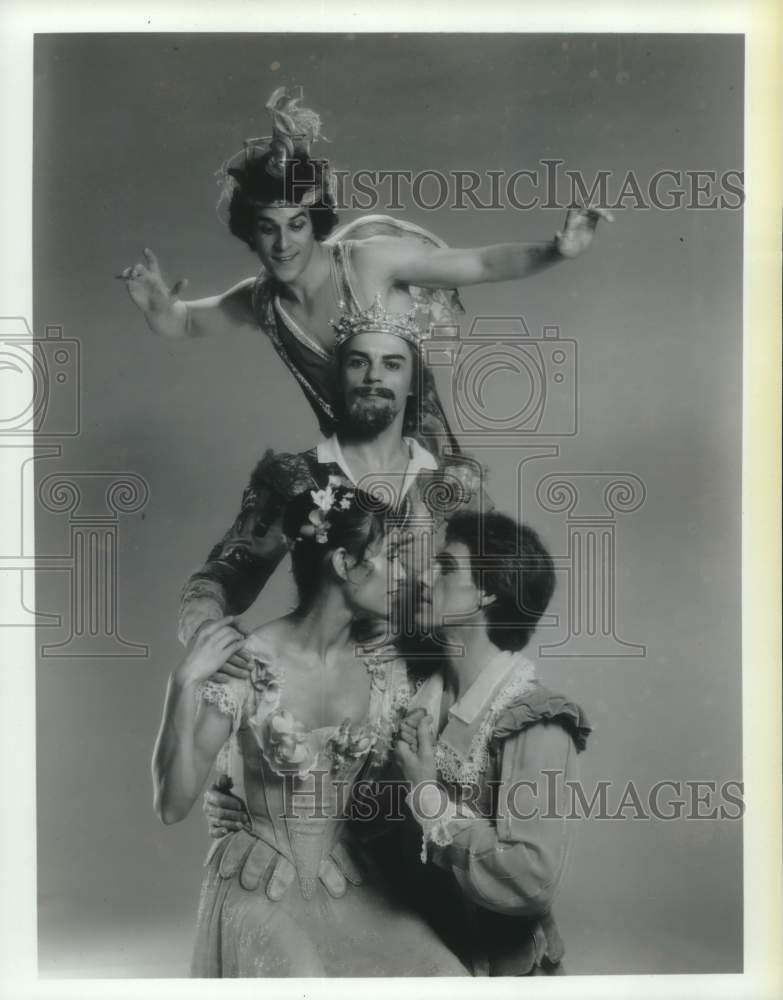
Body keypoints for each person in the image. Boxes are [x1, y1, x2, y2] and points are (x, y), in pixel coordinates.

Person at [119, 87, 612, 457]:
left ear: (315, 224)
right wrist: (156, 302)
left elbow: (480, 262)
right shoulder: (262, 301)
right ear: (252, 234)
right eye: (268, 228)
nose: (284, 242)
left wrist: (557, 250)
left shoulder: (365, 261)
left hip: (429, 467)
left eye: (297, 224)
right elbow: (182, 323)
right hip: (346, 479)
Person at [152, 485, 469, 977]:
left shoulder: (388, 670)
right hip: (255, 884)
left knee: (447, 976)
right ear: (343, 563)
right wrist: (182, 683)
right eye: (391, 557)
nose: (405, 574)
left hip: (348, 881)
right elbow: (172, 805)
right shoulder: (248, 660)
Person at [177, 296, 488, 647]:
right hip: (326, 683)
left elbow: (495, 587)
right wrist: (205, 629)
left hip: (429, 686)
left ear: (414, 381)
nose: (374, 376)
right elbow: (223, 575)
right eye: (359, 362)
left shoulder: (454, 483)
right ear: (339, 376)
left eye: (392, 364)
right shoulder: (298, 477)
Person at [390, 510, 591, 976]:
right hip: (406, 957)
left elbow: (531, 877)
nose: (425, 577)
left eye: (445, 567)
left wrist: (428, 799)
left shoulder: (535, 718)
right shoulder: (407, 695)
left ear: (488, 591)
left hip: (497, 971)